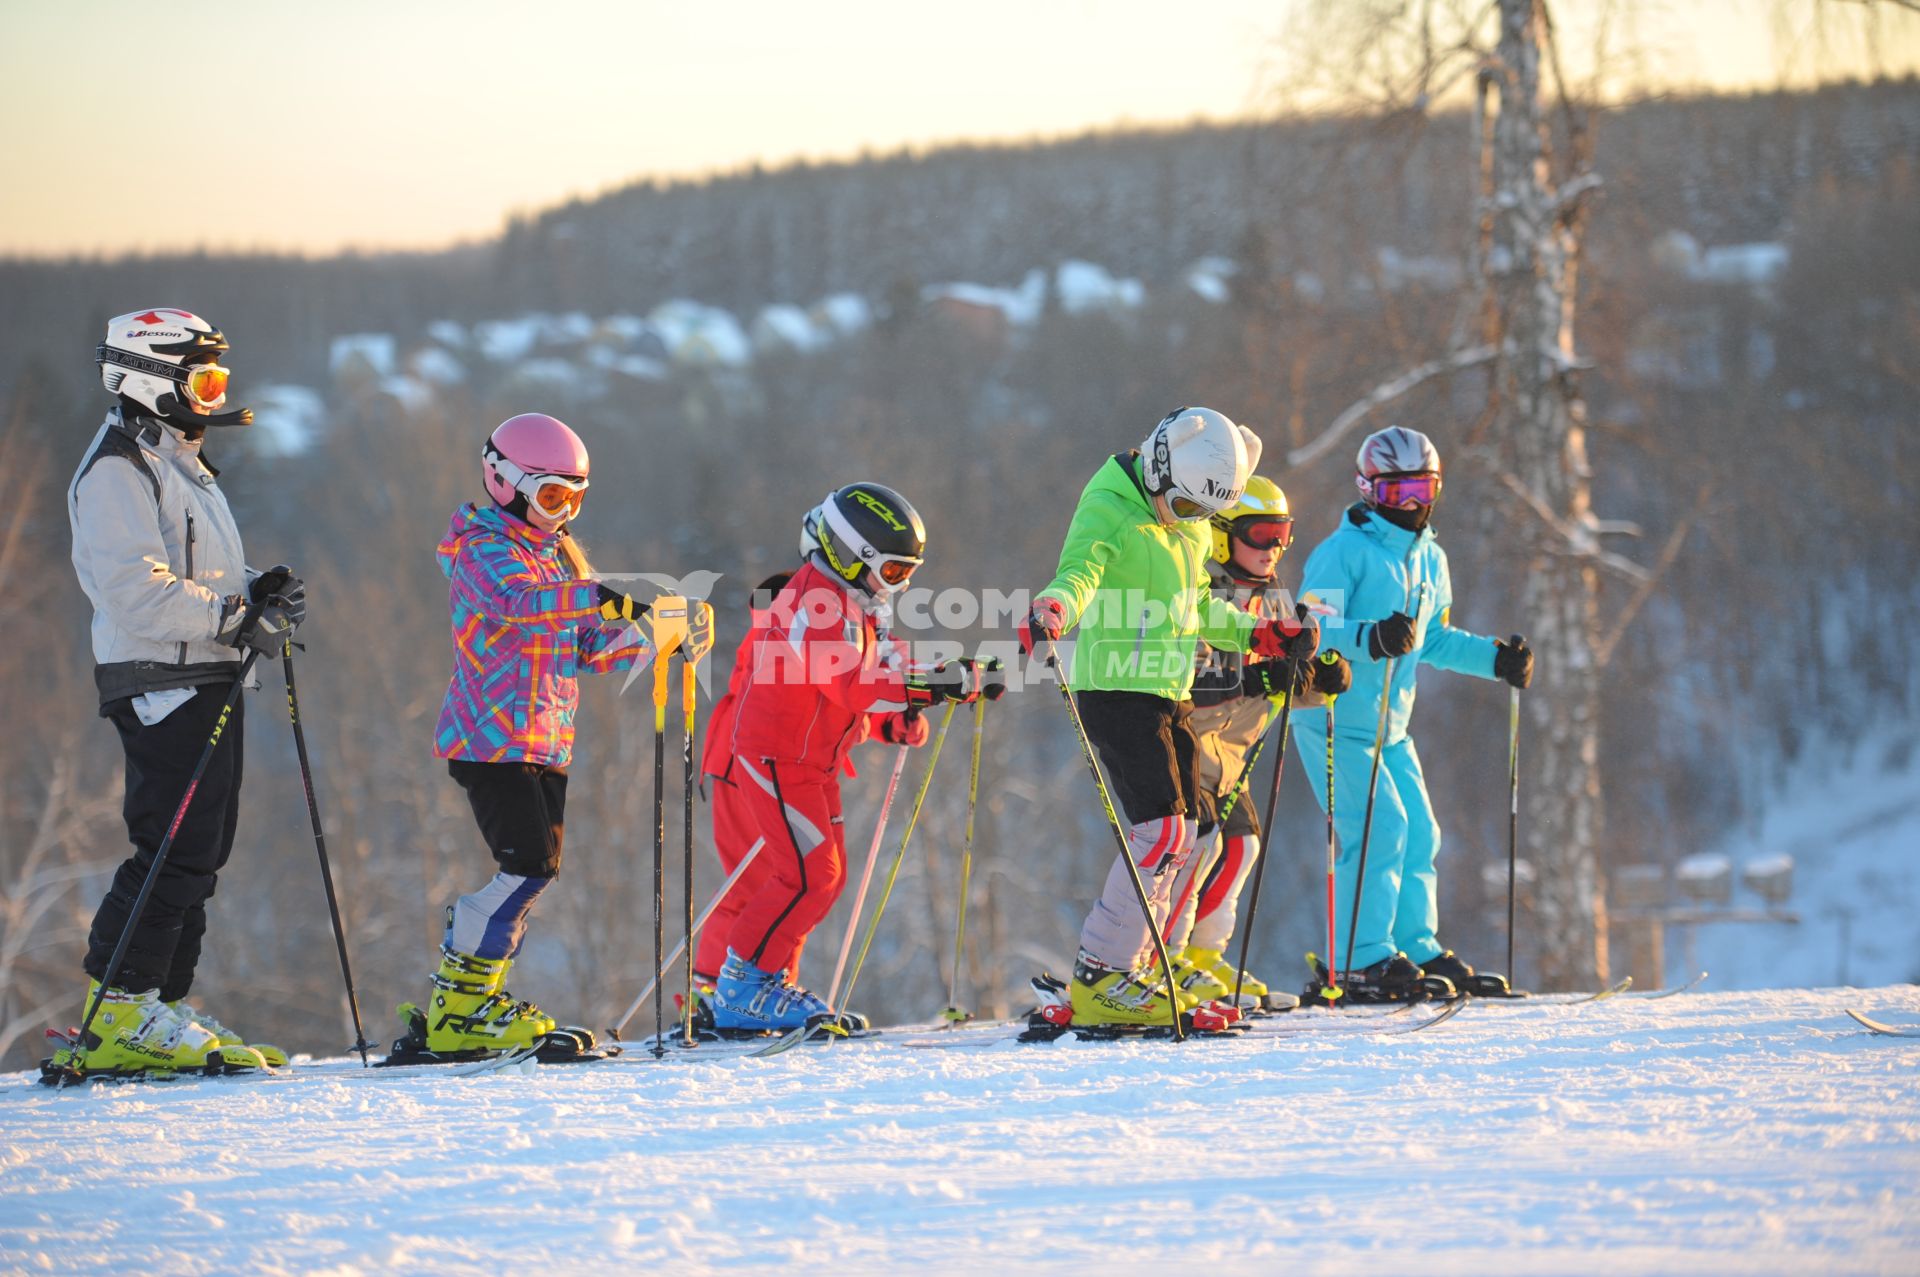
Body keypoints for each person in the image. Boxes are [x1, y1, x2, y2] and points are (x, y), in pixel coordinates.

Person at [405, 412, 713, 1057]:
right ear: (505, 482)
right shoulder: (482, 548)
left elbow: (589, 648)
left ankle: (469, 1000)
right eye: (551, 496)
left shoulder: (554, 559)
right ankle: (462, 1005)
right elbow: (518, 604)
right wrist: (602, 594)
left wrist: (658, 635)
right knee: (529, 866)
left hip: (543, 739)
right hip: (491, 738)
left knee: (535, 870)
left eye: (574, 497)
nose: (563, 510)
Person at [1018, 408, 1319, 1029]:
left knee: (1186, 838)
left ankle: (1138, 970)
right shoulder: (1110, 504)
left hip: (1168, 691)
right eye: (1184, 508)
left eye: (1204, 515)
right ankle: (1103, 974)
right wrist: (1054, 607)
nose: (1192, 523)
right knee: (1161, 834)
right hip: (1115, 689)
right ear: (1160, 467)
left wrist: (1262, 634)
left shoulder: (1187, 524)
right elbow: (1081, 572)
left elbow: (1198, 609)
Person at [62, 308, 301, 1075]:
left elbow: (192, 570)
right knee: (171, 842)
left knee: (201, 849)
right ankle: (120, 1006)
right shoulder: (117, 469)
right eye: (200, 380)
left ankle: (157, 1002)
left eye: (217, 380)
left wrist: (255, 588)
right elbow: (136, 590)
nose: (212, 396)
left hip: (201, 671)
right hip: (159, 678)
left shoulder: (172, 462)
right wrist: (236, 616)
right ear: (148, 380)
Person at [704, 483, 989, 1032]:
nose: (899, 585)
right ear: (852, 556)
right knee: (807, 876)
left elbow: (876, 679)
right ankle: (739, 989)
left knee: (822, 879)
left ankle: (762, 985)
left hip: (813, 763)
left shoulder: (859, 607)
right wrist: (930, 684)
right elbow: (852, 682)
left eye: (908, 573)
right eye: (893, 572)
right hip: (775, 757)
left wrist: (902, 712)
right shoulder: (812, 602)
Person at [1291, 425, 1533, 1001]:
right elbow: (1307, 627)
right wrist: (1369, 637)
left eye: (1425, 489)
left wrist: (1495, 660)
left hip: (1390, 729)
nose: (1416, 504)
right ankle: (1357, 957)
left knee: (1421, 832)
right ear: (1369, 490)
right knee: (1379, 827)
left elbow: (1435, 639)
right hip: (1332, 720)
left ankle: (1415, 947)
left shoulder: (1431, 558)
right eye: (1400, 493)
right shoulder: (1343, 553)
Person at [1161, 476, 1350, 1008]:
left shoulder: (1272, 601)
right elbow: (1188, 676)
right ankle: (1164, 963)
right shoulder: (1198, 595)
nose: (1274, 548)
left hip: (1232, 758)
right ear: (1221, 536)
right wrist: (1254, 678)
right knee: (1200, 850)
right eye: (1261, 534)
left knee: (1242, 848)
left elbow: (1283, 676)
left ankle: (1203, 959)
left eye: (1282, 536)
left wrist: (1321, 679)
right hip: (1188, 750)